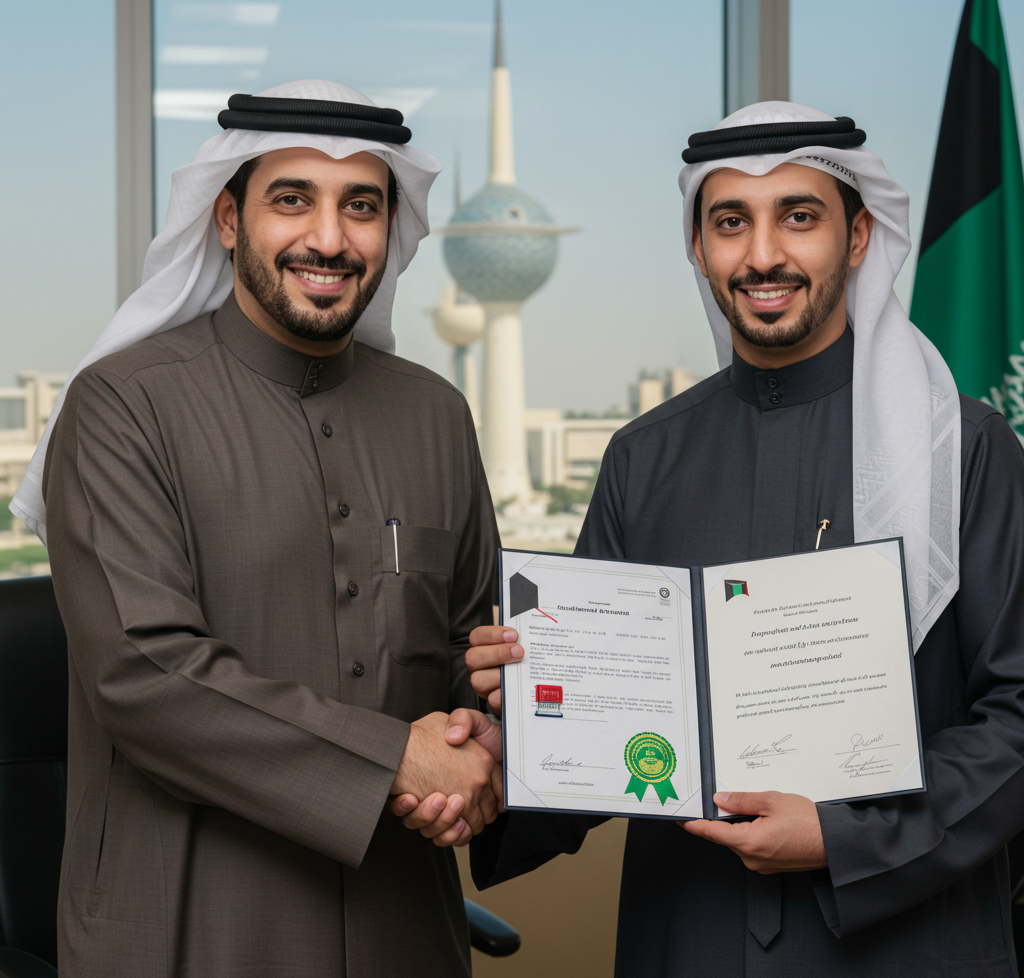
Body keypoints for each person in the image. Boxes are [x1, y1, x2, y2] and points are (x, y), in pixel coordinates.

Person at [398, 103, 1024, 976]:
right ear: (698, 246)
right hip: (687, 937)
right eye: (731, 222)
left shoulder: (963, 447)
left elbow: (1016, 716)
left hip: (909, 943)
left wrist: (848, 836)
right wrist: (519, 740)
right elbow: (611, 726)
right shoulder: (643, 459)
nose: (762, 255)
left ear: (857, 237)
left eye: (798, 217)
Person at [13, 80, 503, 977]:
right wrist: (401, 761)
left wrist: (488, 735)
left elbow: (471, 647)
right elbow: (145, 674)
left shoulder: (436, 415)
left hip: (403, 927)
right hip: (192, 927)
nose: (330, 238)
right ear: (229, 220)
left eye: (361, 206)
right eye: (293, 200)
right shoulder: (123, 405)